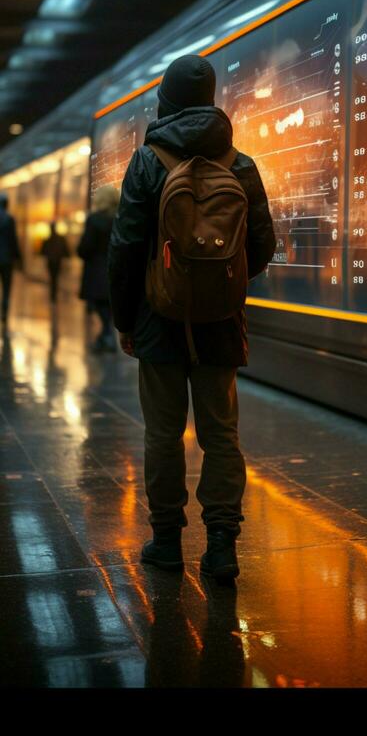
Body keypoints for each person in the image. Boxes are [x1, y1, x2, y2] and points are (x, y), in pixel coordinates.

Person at [108, 54, 276, 579]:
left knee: (162, 434)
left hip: (157, 319)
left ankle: (166, 541)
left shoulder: (146, 161)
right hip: (221, 324)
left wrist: (125, 319)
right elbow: (264, 245)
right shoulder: (241, 164)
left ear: (167, 99)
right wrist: (219, 287)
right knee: (221, 434)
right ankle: (222, 546)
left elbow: (126, 247)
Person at [78, 184, 120, 353]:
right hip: (116, 267)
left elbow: (85, 247)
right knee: (109, 304)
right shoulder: (121, 218)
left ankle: (107, 336)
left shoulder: (94, 219)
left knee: (98, 303)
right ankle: (105, 336)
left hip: (96, 269)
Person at [0, 193, 22, 325]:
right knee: (7, 287)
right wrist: (19, 259)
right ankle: (4, 312)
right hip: (7, 260)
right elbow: (14, 241)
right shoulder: (10, 219)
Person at [40, 222, 70, 304]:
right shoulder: (58, 239)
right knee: (54, 278)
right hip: (56, 261)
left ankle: (53, 294)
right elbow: (66, 251)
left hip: (52, 261)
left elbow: (43, 251)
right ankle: (53, 294)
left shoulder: (48, 240)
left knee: (53, 278)